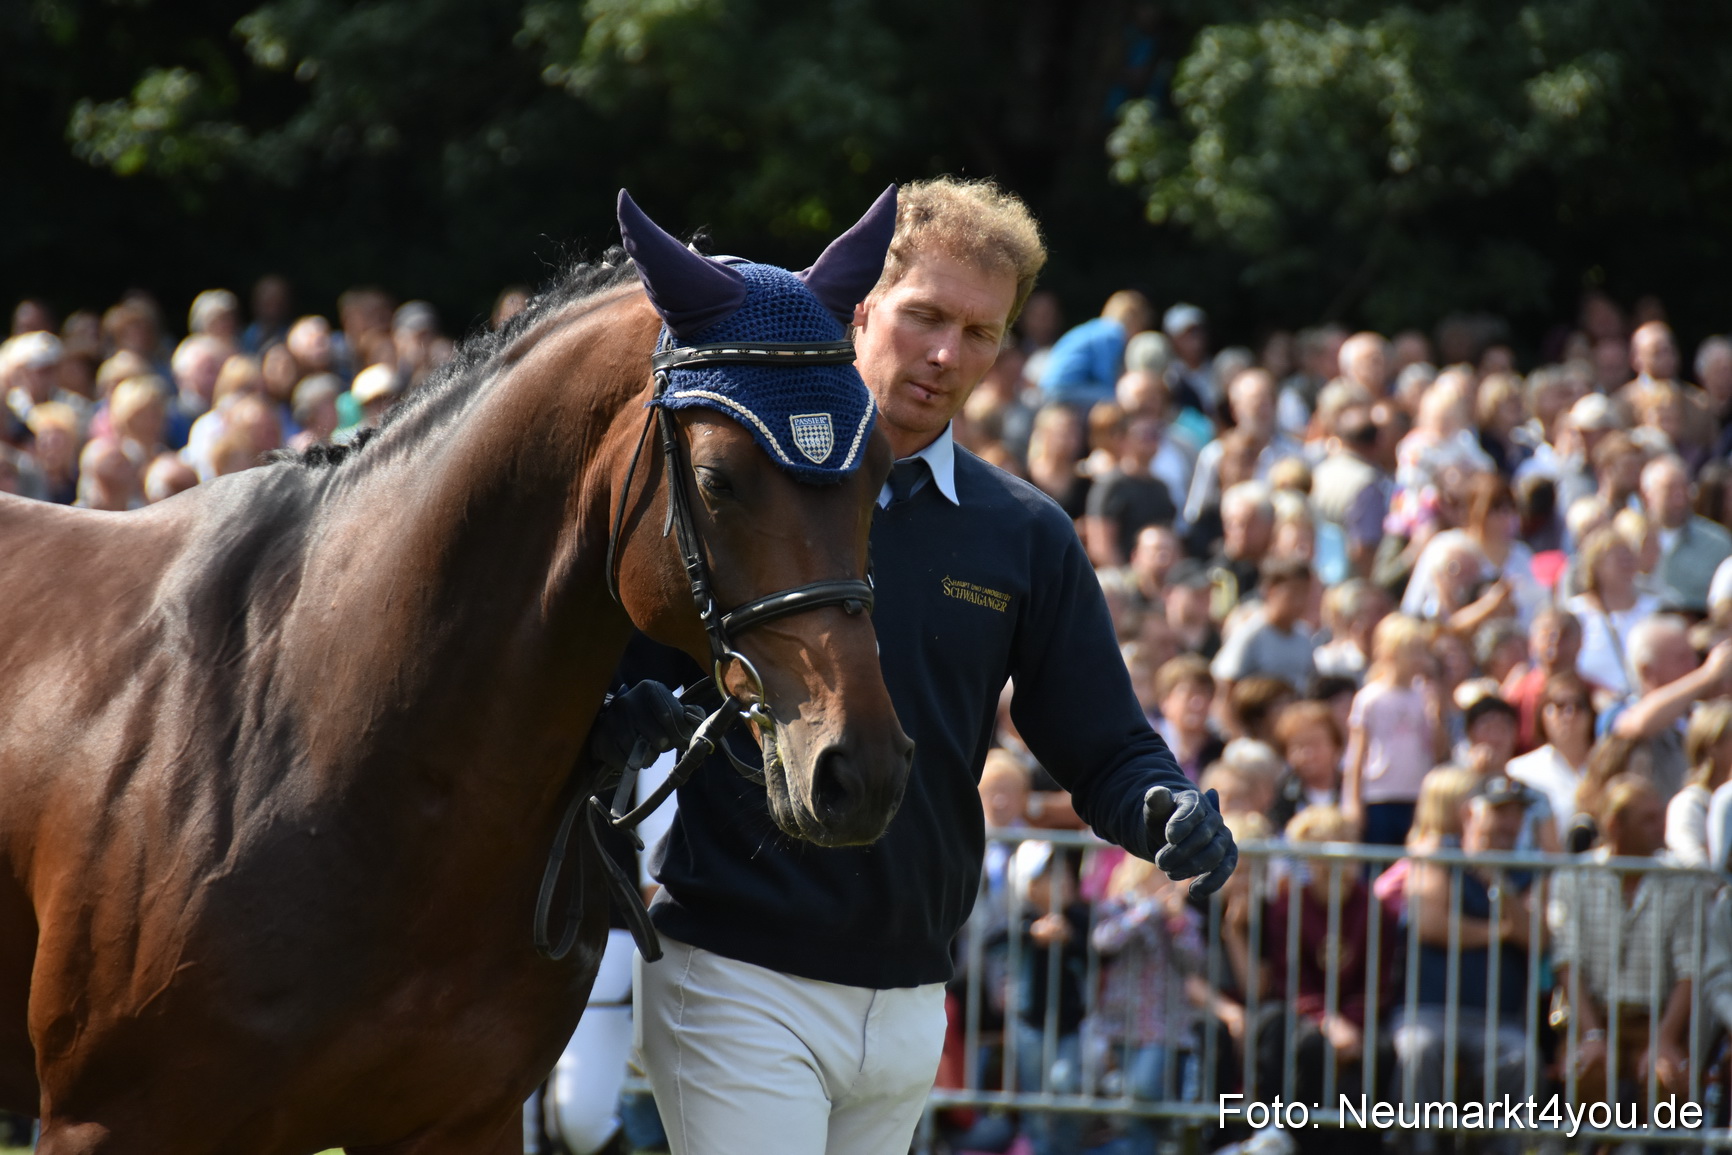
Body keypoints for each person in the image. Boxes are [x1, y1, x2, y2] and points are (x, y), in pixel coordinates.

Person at [631, 178, 1234, 1155]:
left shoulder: (1024, 533)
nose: (949, 354)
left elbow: (1101, 741)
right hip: (735, 972)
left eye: (981, 332)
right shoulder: (737, 486)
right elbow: (614, 676)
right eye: (925, 316)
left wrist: (1163, 806)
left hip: (915, 998)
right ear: (862, 307)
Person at [1392, 779, 1535, 1155]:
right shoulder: (1439, 854)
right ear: (1469, 812)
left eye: (1516, 812)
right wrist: (1498, 932)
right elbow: (1430, 923)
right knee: (1418, 1049)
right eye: (1499, 810)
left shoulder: (1527, 869)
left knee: (1521, 1056)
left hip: (1496, 1020)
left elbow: (1536, 937)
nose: (1509, 822)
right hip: (1427, 1011)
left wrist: (1498, 884)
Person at [1547, 775, 1703, 1105]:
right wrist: (1590, 1035)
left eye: (1660, 815)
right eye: (1648, 818)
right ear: (1615, 825)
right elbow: (1566, 961)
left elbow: (1689, 970)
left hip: (1654, 1019)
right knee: (1587, 1074)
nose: (1660, 826)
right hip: (1593, 1015)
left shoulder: (1682, 881)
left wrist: (1665, 1039)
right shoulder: (1573, 876)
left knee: (1667, 1083)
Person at [1342, 614, 1446, 846]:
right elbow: (1356, 756)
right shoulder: (1370, 698)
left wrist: (1435, 714)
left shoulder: (1424, 697)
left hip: (1416, 797)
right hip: (1379, 796)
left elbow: (1438, 750)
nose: (1419, 658)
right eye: (1412, 651)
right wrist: (1353, 803)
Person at [1507, 672, 1596, 842]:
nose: (1570, 714)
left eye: (1579, 705)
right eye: (1560, 705)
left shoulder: (1609, 766)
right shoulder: (1519, 771)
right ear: (1542, 713)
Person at [1641, 453, 1732, 613]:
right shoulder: (1630, 539)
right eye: (1669, 489)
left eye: (1684, 487)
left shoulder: (1717, 543)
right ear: (1648, 495)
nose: (1680, 497)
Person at [1210, 558, 1317, 693]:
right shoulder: (1251, 631)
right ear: (1271, 590)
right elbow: (1225, 680)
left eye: (1305, 592)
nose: (1300, 600)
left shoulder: (1305, 636)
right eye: (1294, 591)